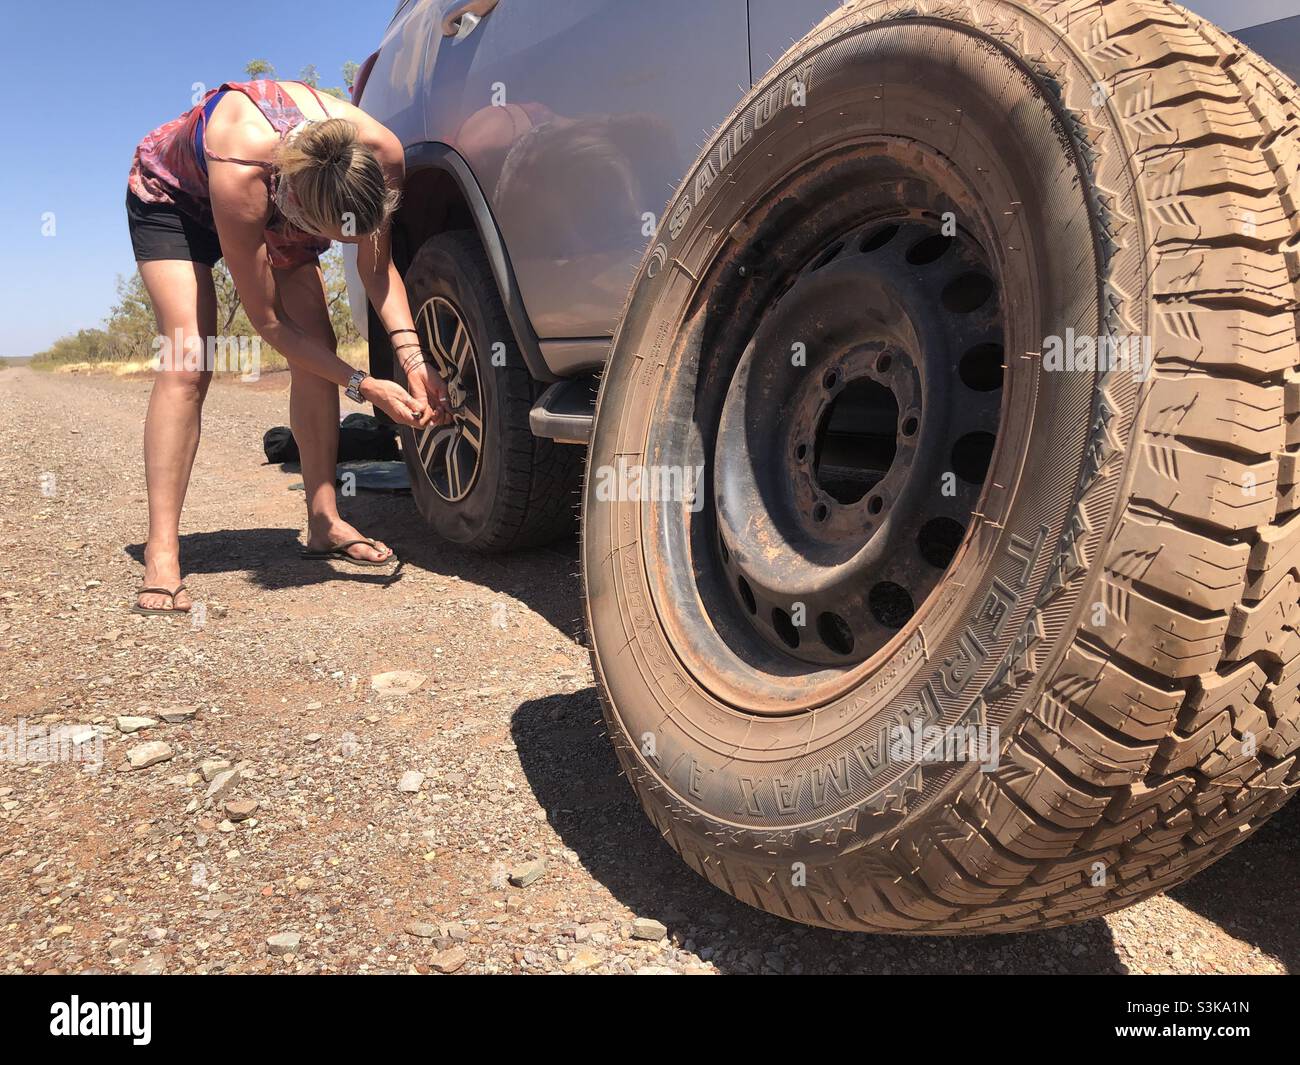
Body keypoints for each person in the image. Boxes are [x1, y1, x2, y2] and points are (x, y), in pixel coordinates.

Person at [126, 78, 450, 614]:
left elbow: (377, 270)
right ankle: (163, 549)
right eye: (332, 239)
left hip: (281, 196)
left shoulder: (380, 152)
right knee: (190, 360)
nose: (337, 249)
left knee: (319, 343)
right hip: (176, 198)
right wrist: (364, 386)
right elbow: (271, 324)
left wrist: (414, 361)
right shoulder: (243, 171)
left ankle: (324, 519)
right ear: (298, 205)